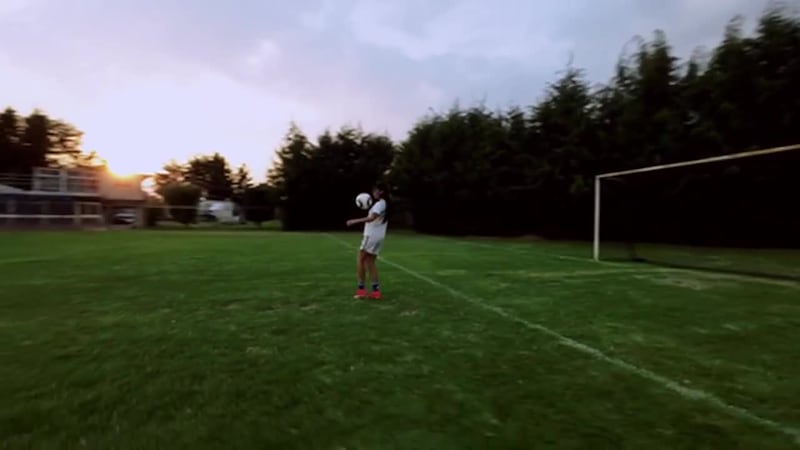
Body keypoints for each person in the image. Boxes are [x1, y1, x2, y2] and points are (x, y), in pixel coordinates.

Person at [346, 183, 390, 299]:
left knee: (360, 260)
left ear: (381, 192)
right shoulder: (383, 204)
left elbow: (371, 218)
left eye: (375, 190)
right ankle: (376, 292)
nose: (373, 192)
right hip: (378, 237)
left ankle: (361, 290)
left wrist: (354, 221)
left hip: (371, 236)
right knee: (370, 262)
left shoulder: (381, 204)